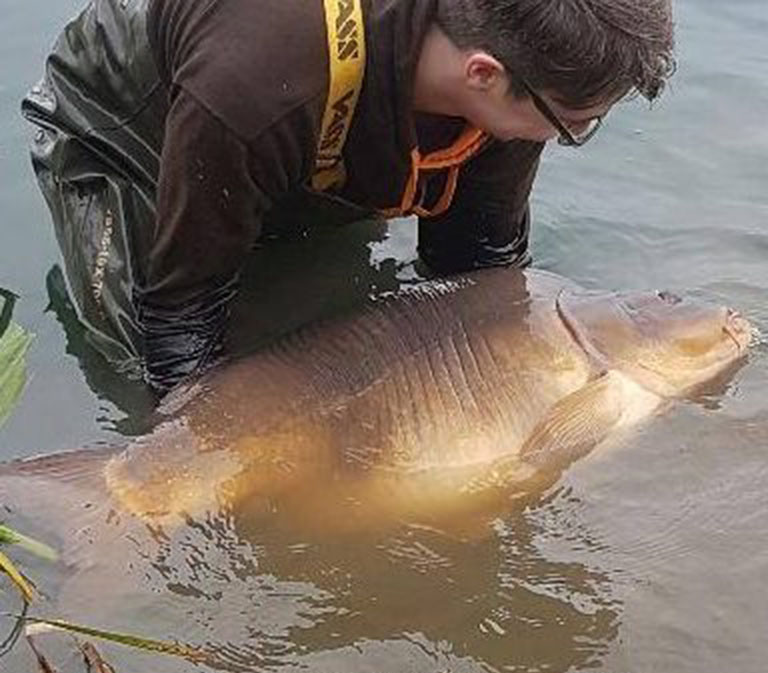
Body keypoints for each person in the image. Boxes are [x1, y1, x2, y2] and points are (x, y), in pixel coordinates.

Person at [22, 0, 675, 396]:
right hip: (127, 127)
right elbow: (179, 322)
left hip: (281, 121)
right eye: (577, 126)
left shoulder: (519, 56)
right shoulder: (257, 85)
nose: (569, 139)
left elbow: (479, 267)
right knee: (156, 370)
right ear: (483, 74)